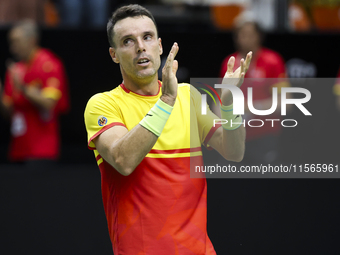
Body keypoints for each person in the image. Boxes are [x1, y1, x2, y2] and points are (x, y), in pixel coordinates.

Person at [84, 4, 251, 254]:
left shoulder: (189, 96)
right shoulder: (103, 105)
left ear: (159, 46)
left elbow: (234, 151)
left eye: (147, 37)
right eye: (128, 41)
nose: (141, 46)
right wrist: (166, 101)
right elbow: (123, 159)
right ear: (114, 54)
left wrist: (228, 104)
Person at [219, 20, 289, 164]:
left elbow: (286, 102)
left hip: (265, 136)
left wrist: (251, 107)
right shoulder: (229, 63)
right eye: (241, 35)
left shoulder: (272, 61)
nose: (245, 38)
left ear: (259, 36)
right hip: (235, 136)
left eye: (250, 34)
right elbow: (220, 100)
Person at [0, 20, 69, 163]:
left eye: (17, 42)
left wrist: (23, 88)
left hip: (42, 150)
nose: (13, 48)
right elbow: (8, 112)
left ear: (32, 40)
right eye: (11, 42)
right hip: (18, 149)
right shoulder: (15, 70)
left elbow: (49, 103)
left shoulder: (49, 65)